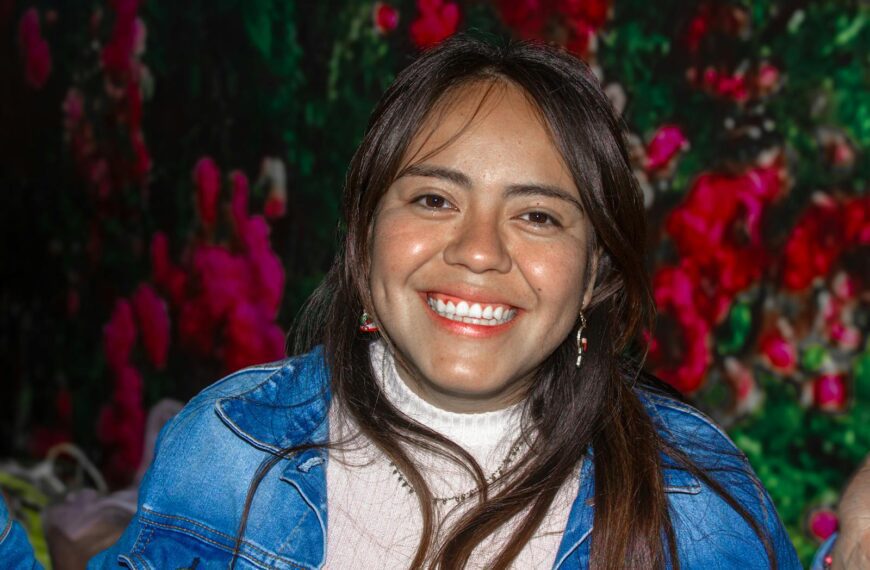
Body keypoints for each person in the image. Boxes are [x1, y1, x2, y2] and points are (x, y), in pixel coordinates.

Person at [3, 36, 806, 568]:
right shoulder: (228, 452)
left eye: (536, 215)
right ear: (362, 239)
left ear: (597, 272)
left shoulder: (694, 510)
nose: (480, 250)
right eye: (432, 200)